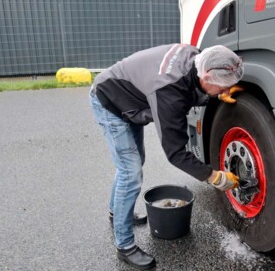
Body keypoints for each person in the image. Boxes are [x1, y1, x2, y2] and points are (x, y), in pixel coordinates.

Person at [89, 44, 244, 270]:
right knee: (130, 172)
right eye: (223, 86)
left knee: (131, 164)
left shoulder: (200, 58)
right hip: (109, 102)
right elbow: (176, 153)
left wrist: (219, 93)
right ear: (208, 75)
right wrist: (214, 176)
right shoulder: (168, 92)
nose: (225, 90)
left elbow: (192, 88)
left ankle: (117, 213)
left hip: (130, 95)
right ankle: (124, 246)